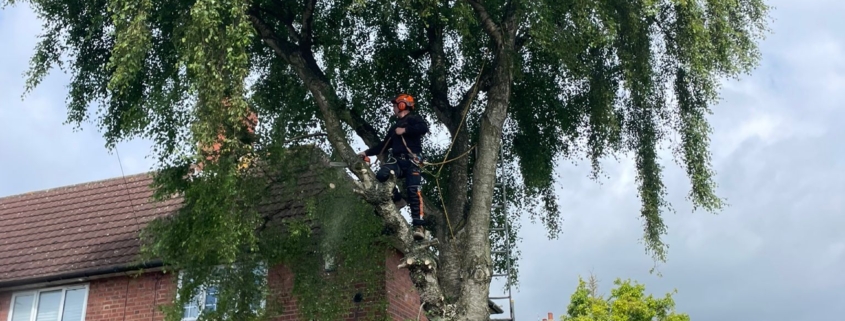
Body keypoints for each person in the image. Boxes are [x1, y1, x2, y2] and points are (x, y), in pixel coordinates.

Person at [358, 93, 429, 240]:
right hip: (397, 160)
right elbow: (383, 146)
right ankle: (397, 199)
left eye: (395, 105)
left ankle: (419, 226)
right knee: (382, 174)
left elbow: (423, 128)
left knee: (413, 191)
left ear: (402, 105)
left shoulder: (414, 119)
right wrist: (366, 152)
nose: (394, 108)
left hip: (412, 162)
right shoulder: (394, 127)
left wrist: (405, 130)